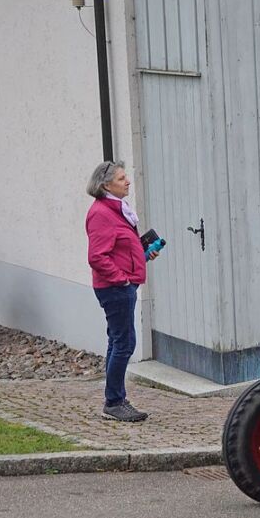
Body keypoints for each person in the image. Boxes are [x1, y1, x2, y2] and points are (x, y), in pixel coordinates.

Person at [85, 161, 157, 422]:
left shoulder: (117, 210)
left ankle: (115, 398)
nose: (128, 182)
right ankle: (114, 402)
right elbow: (97, 257)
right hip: (115, 289)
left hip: (121, 285)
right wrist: (122, 280)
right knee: (125, 343)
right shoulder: (102, 213)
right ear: (106, 185)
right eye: (121, 178)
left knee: (117, 341)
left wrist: (143, 255)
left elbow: (120, 249)